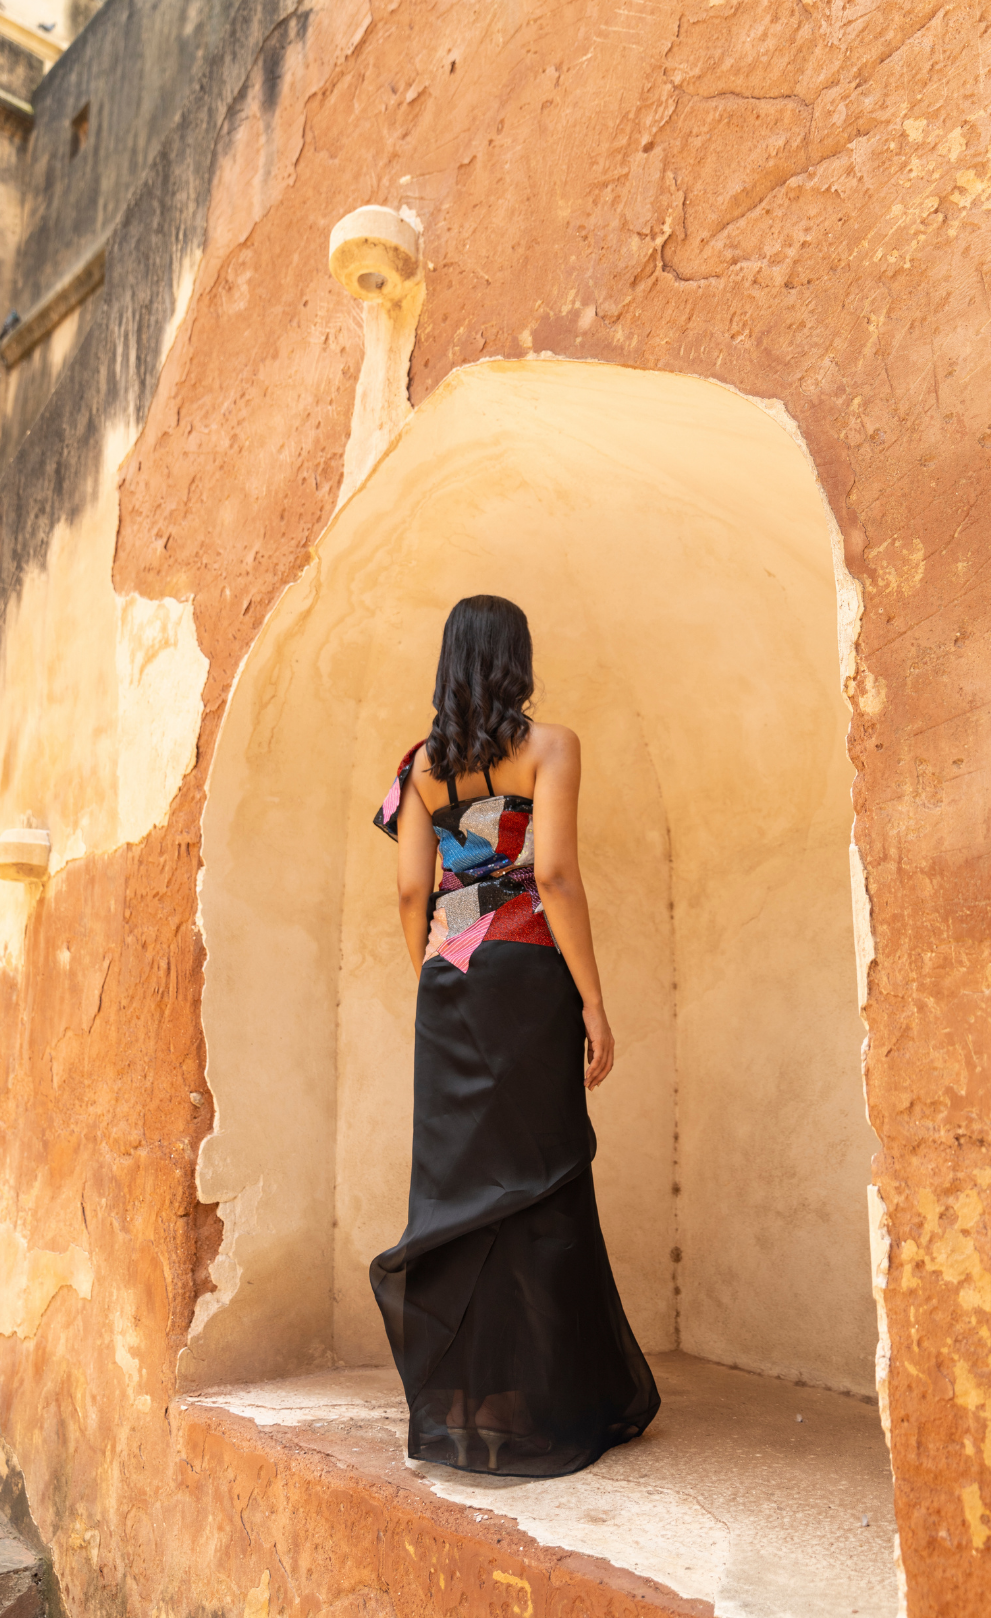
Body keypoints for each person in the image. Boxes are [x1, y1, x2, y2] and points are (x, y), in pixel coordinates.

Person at [371, 594, 659, 1477]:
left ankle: (467, 1411)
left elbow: (410, 895)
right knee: (545, 1181)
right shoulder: (551, 747)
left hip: (449, 984)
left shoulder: (416, 769)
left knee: (460, 1190)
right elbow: (558, 876)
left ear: (449, 665)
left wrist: (431, 971)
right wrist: (596, 1002)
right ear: (517, 661)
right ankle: (558, 1406)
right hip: (531, 977)